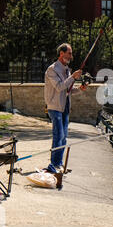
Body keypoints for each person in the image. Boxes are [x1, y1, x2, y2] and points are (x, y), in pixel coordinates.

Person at [44, 43, 87, 173]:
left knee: (64, 137)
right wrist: (73, 77)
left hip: (65, 107)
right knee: (58, 135)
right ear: (61, 53)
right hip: (55, 107)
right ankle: (54, 164)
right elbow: (59, 87)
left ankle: (59, 163)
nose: (71, 56)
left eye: (71, 53)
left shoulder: (67, 70)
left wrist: (80, 89)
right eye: (69, 53)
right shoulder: (52, 69)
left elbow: (67, 90)